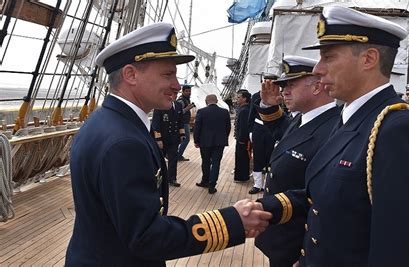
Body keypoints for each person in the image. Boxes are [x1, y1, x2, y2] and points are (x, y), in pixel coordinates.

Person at [65, 22, 272, 266]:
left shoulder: (105, 121)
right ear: (131, 74)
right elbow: (146, 236)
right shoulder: (123, 142)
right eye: (167, 74)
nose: (176, 84)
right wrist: (231, 222)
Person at [258, 6, 409, 266]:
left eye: (328, 57)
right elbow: (327, 200)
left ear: (368, 59)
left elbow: (404, 251)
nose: (318, 69)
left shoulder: (399, 130)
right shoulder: (352, 119)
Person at [255, 55, 339, 266]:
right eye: (283, 86)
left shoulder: (335, 129)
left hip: (300, 244)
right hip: (282, 235)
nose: (284, 92)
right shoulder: (302, 118)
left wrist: (309, 256)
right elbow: (284, 135)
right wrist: (268, 105)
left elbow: (329, 203)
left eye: (291, 85)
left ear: (317, 87)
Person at [193, 94, 231, 194]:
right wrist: (223, 137)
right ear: (217, 101)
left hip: (205, 142)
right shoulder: (224, 112)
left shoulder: (201, 111)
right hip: (220, 142)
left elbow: (197, 128)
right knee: (216, 163)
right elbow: (228, 127)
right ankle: (212, 185)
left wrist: (196, 141)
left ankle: (205, 181)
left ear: (206, 101)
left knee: (205, 162)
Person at [151, 97, 184, 187]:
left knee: (173, 159)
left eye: (175, 94)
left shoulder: (178, 105)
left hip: (174, 138)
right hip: (163, 138)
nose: (173, 95)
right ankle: (158, 178)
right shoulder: (160, 105)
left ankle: (172, 179)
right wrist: (158, 139)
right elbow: (155, 124)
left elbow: (181, 121)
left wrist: (182, 134)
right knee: (159, 160)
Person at [247, 92, 275, 194]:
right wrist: (251, 130)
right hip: (258, 128)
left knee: (270, 159)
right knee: (258, 157)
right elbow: (252, 112)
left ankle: (267, 184)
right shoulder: (256, 96)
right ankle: (257, 185)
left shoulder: (278, 95)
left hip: (273, 129)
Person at [234, 89, 251, 183]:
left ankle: (241, 177)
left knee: (241, 158)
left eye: (239, 97)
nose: (237, 99)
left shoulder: (244, 110)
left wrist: (241, 139)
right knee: (242, 158)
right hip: (242, 138)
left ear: (244, 99)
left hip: (242, 140)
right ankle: (243, 175)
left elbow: (243, 127)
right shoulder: (244, 108)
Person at [176, 84, 194, 161]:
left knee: (182, 139)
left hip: (185, 122)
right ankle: (178, 155)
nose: (189, 92)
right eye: (187, 91)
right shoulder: (181, 101)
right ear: (183, 91)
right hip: (183, 123)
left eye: (190, 91)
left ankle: (176, 154)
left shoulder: (186, 99)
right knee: (185, 139)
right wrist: (187, 108)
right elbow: (178, 112)